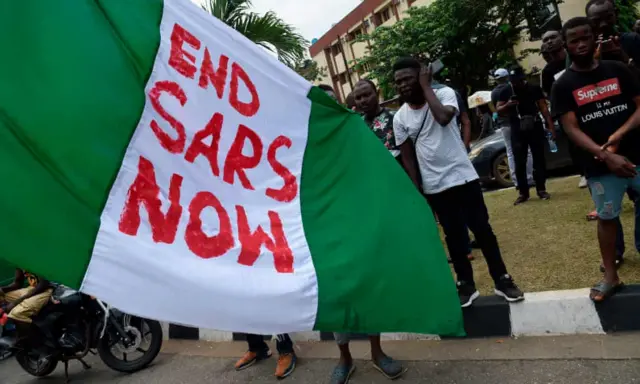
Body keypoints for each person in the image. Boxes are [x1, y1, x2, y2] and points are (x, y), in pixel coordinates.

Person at [393, 57, 524, 307]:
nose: (402, 85)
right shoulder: (400, 118)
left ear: (422, 76)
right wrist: (417, 190)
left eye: (407, 79)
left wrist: (427, 86)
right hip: (435, 186)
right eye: (397, 82)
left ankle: (502, 279)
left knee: (482, 230)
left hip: (463, 177)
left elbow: (443, 117)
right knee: (454, 238)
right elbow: (408, 158)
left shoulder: (445, 95)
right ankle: (466, 284)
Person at [550, 17, 640, 302]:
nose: (581, 43)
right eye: (574, 39)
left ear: (594, 38)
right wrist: (605, 155)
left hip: (638, 154)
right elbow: (571, 128)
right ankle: (610, 277)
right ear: (566, 45)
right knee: (608, 216)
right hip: (601, 167)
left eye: (585, 37)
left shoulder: (618, 70)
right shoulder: (563, 85)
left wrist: (618, 135)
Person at [496, 66, 556, 205]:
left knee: (539, 158)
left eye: (517, 80)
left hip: (534, 124)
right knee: (519, 160)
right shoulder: (506, 90)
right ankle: (523, 192)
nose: (515, 83)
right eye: (513, 81)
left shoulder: (534, 88)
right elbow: (499, 109)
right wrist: (508, 105)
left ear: (523, 78)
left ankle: (541, 188)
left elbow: (543, 107)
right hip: (517, 127)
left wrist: (550, 126)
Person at [491, 68, 534, 189]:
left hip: (504, 124)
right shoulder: (511, 89)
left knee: (510, 152)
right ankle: (529, 178)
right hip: (515, 121)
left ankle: (516, 181)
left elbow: (496, 109)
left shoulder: (494, 92)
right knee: (527, 151)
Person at [352, 80, 401, 162]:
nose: (362, 100)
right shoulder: (357, 125)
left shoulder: (395, 117)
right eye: (358, 98)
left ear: (377, 93)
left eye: (366, 95)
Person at [0, 269, 52, 336]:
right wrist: (2, 289)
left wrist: (16, 302)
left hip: (44, 290)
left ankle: (33, 337)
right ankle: (6, 328)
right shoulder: (20, 261)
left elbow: (44, 283)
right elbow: (18, 283)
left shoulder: (37, 261)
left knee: (16, 313)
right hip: (31, 288)